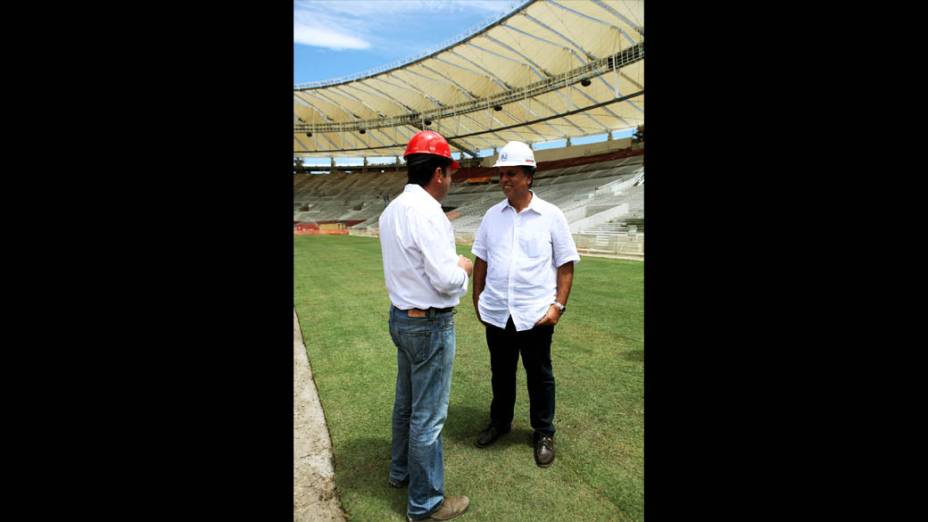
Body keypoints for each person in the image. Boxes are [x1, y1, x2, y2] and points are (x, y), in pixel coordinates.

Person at [379, 130, 473, 521]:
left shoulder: (393, 210)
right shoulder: (428, 212)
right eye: (449, 173)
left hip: (401, 318)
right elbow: (445, 280)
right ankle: (426, 503)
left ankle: (400, 472)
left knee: (406, 405)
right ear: (438, 173)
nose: (450, 180)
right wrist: (464, 268)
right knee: (428, 417)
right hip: (429, 324)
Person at [470, 141, 580, 468]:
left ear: (529, 176)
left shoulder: (551, 216)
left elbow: (566, 264)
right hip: (498, 313)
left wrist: (557, 306)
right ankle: (500, 423)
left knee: (539, 375)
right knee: (501, 374)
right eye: (502, 174)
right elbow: (481, 260)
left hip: (535, 315)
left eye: (512, 173)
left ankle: (543, 432)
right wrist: (478, 299)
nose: (505, 179)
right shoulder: (492, 216)